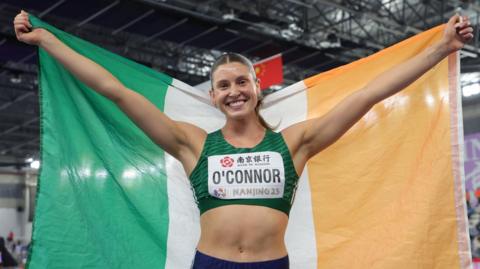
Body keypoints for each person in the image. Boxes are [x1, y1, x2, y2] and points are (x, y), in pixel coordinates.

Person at [14, 10, 473, 269]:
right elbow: (115, 91)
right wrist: (48, 41)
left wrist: (439, 48)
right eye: (223, 85)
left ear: (258, 88)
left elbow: (372, 93)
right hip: (210, 265)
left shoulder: (296, 142)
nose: (233, 90)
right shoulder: (192, 144)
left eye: (241, 82)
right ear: (213, 98)